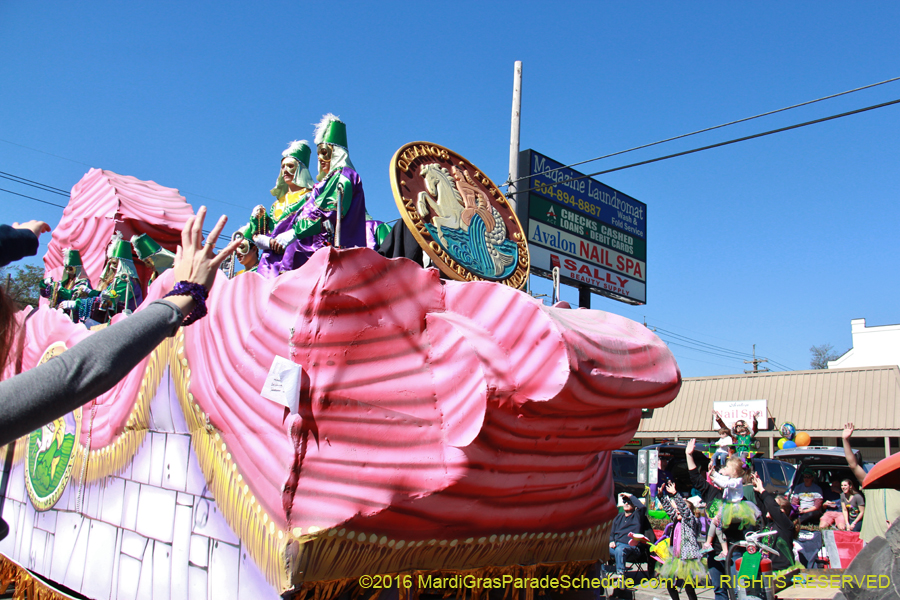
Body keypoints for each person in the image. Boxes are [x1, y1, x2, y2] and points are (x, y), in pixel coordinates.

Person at [0, 207, 240, 449]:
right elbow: (76, 372)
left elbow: (78, 369)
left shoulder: (127, 280)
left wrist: (17, 241)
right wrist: (188, 293)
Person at [247, 140, 316, 277]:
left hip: (298, 260)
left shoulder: (310, 196)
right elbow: (260, 234)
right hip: (270, 264)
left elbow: (314, 225)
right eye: (283, 166)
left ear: (301, 169)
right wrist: (267, 238)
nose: (285, 170)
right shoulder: (276, 205)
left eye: (290, 166)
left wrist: (289, 239)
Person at [684, 438, 730, 600]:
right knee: (719, 591)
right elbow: (695, 478)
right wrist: (689, 456)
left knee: (739, 591)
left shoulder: (738, 496)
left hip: (735, 551)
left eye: (722, 470)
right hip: (715, 551)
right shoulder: (712, 492)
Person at [841, 422, 900, 542]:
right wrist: (845, 440)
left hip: (896, 542)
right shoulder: (871, 486)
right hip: (872, 542)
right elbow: (853, 465)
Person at [705, 455, 760, 560]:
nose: (725, 468)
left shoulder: (737, 481)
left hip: (734, 508)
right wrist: (712, 473)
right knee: (715, 523)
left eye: (727, 467)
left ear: (734, 471)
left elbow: (724, 483)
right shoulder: (731, 478)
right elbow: (722, 478)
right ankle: (708, 544)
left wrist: (713, 479)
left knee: (719, 525)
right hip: (727, 506)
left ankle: (724, 551)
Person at [659, 480, 707, 600]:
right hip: (676, 558)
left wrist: (675, 494)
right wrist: (661, 496)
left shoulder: (690, 521)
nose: (677, 511)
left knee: (689, 587)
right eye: (677, 510)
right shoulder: (677, 520)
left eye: (680, 509)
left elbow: (685, 511)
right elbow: (670, 509)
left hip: (688, 558)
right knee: (670, 584)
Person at [750, 472, 799, 577]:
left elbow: (772, 506)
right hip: (766, 569)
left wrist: (763, 491)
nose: (769, 509)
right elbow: (763, 505)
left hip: (780, 571)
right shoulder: (769, 522)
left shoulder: (785, 525)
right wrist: (757, 487)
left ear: (781, 510)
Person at [607, 493, 651, 577]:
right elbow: (611, 532)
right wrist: (611, 541)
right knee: (599, 549)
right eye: (624, 501)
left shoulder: (637, 516)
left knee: (620, 550)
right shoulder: (618, 517)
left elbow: (642, 507)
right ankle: (601, 575)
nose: (626, 503)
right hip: (616, 547)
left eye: (629, 502)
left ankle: (621, 576)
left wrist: (630, 496)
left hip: (632, 548)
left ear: (634, 505)